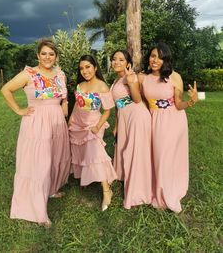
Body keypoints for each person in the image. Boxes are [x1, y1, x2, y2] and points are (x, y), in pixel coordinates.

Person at [1, 40, 71, 227]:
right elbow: (6, 89)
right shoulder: (29, 74)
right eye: (44, 53)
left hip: (57, 122)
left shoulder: (60, 74)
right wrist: (19, 110)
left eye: (51, 54)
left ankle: (52, 189)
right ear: (37, 55)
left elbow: (64, 96)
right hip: (37, 124)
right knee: (39, 165)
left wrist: (64, 105)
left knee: (56, 158)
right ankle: (37, 211)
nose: (48, 57)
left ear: (56, 56)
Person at [139, 42, 198, 213]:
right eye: (153, 56)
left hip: (173, 119)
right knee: (157, 156)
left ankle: (165, 196)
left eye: (160, 57)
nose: (155, 60)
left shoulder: (174, 76)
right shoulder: (143, 77)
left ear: (166, 60)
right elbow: (140, 98)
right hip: (153, 119)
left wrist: (191, 102)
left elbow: (178, 104)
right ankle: (160, 188)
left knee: (165, 156)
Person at [68, 55, 117, 211]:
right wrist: (70, 121)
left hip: (94, 124)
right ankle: (87, 177)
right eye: (82, 68)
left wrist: (97, 126)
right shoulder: (80, 85)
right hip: (78, 123)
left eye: (88, 67)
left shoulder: (102, 86)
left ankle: (106, 190)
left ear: (95, 67)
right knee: (82, 152)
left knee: (96, 154)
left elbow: (108, 111)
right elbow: (77, 105)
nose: (84, 71)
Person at [110, 49, 152, 209]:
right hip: (124, 117)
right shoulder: (116, 80)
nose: (116, 62)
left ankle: (137, 190)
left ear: (128, 64)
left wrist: (132, 81)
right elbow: (117, 105)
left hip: (136, 116)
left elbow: (136, 99)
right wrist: (116, 126)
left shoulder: (129, 77)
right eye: (114, 59)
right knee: (125, 148)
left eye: (121, 60)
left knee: (136, 152)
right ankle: (124, 176)